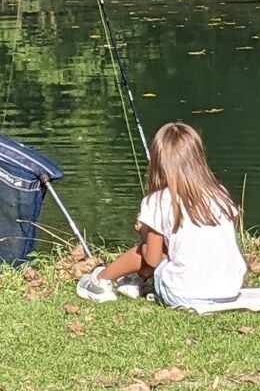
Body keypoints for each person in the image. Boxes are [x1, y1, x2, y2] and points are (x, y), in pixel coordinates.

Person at [75, 122, 246, 309]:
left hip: (185, 295)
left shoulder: (157, 201)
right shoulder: (219, 193)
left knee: (153, 248)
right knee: (175, 245)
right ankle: (135, 280)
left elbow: (152, 258)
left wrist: (144, 232)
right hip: (230, 290)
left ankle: (99, 280)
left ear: (159, 162)